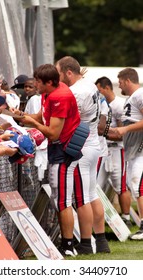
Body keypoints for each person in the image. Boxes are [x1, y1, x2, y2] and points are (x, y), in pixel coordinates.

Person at [10, 63, 91, 257]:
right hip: (60, 148)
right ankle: (68, 241)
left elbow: (53, 133)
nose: (35, 84)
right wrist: (21, 116)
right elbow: (41, 116)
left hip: (63, 149)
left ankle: (68, 245)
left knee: (63, 199)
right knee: (59, 197)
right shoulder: (51, 92)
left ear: (49, 82)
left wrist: (33, 123)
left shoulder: (60, 96)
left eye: (38, 81)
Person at [55, 56, 110, 254]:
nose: (57, 77)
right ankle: (101, 241)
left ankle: (86, 242)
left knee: (82, 198)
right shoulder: (89, 85)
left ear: (68, 72)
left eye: (59, 72)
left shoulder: (77, 91)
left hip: (82, 145)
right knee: (91, 194)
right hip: (93, 142)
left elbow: (67, 120)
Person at [110, 67, 143, 239]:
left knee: (138, 186)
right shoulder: (132, 98)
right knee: (135, 187)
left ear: (128, 81)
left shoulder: (139, 95)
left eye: (121, 82)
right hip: (132, 150)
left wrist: (126, 129)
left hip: (140, 150)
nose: (120, 86)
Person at [95, 76, 132, 227]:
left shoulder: (119, 105)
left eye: (99, 90)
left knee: (120, 184)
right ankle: (98, 220)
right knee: (97, 185)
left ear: (106, 88)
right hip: (104, 149)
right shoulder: (100, 104)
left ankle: (126, 217)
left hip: (117, 149)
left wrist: (104, 133)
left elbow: (121, 132)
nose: (97, 93)